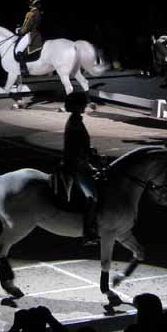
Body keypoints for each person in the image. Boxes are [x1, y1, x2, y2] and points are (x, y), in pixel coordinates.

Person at [63, 91, 100, 245]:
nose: (85, 106)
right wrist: (88, 163)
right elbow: (75, 148)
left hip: (80, 161)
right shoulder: (75, 122)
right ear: (78, 106)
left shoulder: (76, 120)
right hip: (76, 165)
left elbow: (80, 144)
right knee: (92, 197)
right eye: (83, 104)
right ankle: (88, 233)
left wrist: (91, 151)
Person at [14, 0, 43, 77]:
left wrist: (19, 31)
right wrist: (21, 28)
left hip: (31, 34)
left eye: (30, 4)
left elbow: (27, 27)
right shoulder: (38, 12)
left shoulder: (31, 13)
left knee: (18, 50)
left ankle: (24, 70)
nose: (29, 5)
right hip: (36, 33)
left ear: (32, 5)